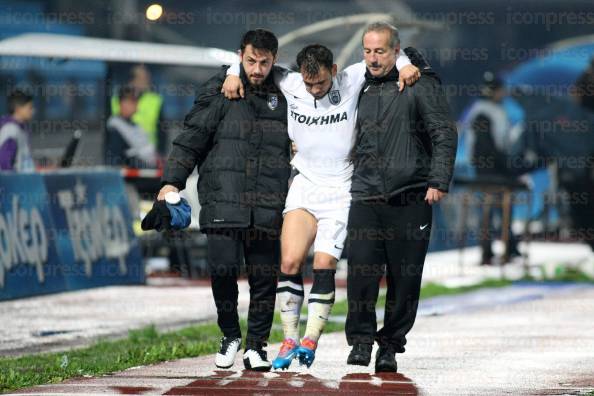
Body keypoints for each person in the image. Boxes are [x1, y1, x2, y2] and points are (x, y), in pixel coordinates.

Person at [222, 41, 423, 369]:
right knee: (288, 262)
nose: (313, 90)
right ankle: (289, 338)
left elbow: (382, 55)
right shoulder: (290, 82)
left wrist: (403, 63)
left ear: (333, 71)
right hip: (304, 185)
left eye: (320, 83)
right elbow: (251, 65)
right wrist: (232, 73)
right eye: (308, 83)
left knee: (324, 264)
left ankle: (310, 340)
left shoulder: (351, 79)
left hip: (341, 190)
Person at [157, 29, 291, 371]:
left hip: (267, 203)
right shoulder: (219, 89)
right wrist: (172, 181)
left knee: (264, 278)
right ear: (239, 56)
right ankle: (230, 334)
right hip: (222, 199)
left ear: (274, 59)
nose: (257, 68)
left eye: (264, 62)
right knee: (222, 271)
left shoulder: (289, 91)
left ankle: (256, 346)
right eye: (250, 61)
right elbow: (191, 139)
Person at [345, 22, 457, 372]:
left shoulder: (418, 83)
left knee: (404, 277)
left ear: (396, 51)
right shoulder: (356, 85)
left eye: (380, 51)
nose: (373, 58)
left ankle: (390, 345)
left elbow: (443, 132)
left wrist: (437, 180)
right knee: (361, 272)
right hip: (364, 195)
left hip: (410, 196)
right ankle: (361, 342)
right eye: (367, 51)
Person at [464, 72, 524, 264]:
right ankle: (490, 252)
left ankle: (509, 248)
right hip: (488, 171)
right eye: (500, 90)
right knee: (490, 211)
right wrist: (504, 169)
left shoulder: (495, 110)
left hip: (494, 168)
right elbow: (485, 148)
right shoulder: (483, 111)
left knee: (497, 211)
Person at [111, 65, 166, 156]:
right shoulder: (116, 99)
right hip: (122, 149)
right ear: (132, 79)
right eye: (143, 78)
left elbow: (162, 132)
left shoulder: (155, 100)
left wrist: (160, 153)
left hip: (147, 152)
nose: (147, 81)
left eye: (147, 78)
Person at [105, 86, 158, 168]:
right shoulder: (114, 127)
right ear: (122, 103)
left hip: (148, 171)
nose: (137, 105)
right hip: (133, 178)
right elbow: (115, 162)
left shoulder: (136, 126)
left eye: (136, 101)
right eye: (133, 101)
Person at [0, 89, 35, 172]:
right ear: (18, 109)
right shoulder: (11, 130)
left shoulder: (21, 129)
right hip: (11, 183)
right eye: (30, 108)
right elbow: (4, 164)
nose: (33, 111)